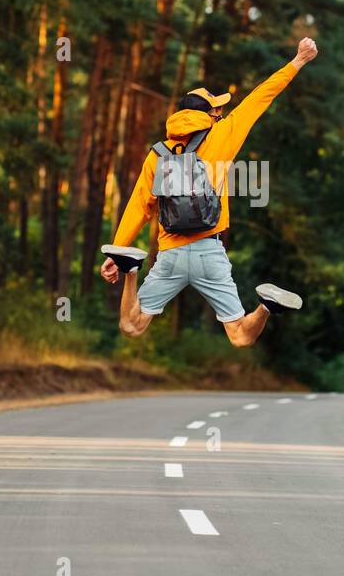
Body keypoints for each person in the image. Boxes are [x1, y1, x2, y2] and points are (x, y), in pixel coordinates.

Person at [100, 37, 318, 347]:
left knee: (131, 326)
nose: (222, 112)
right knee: (241, 337)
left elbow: (139, 206)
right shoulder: (223, 133)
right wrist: (298, 61)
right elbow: (261, 96)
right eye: (218, 108)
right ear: (211, 115)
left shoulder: (157, 154)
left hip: (170, 255)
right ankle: (266, 306)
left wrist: (117, 251)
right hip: (209, 252)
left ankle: (130, 268)